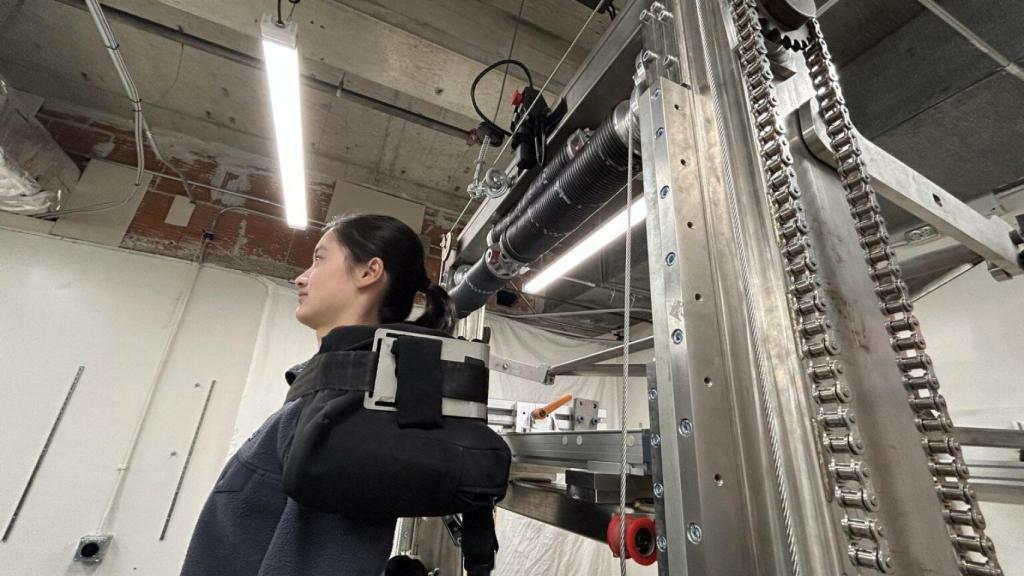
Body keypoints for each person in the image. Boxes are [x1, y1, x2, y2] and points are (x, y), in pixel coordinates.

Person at [180, 213, 455, 576]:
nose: (301, 276)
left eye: (319, 258)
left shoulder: (353, 405)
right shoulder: (328, 390)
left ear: (368, 272)